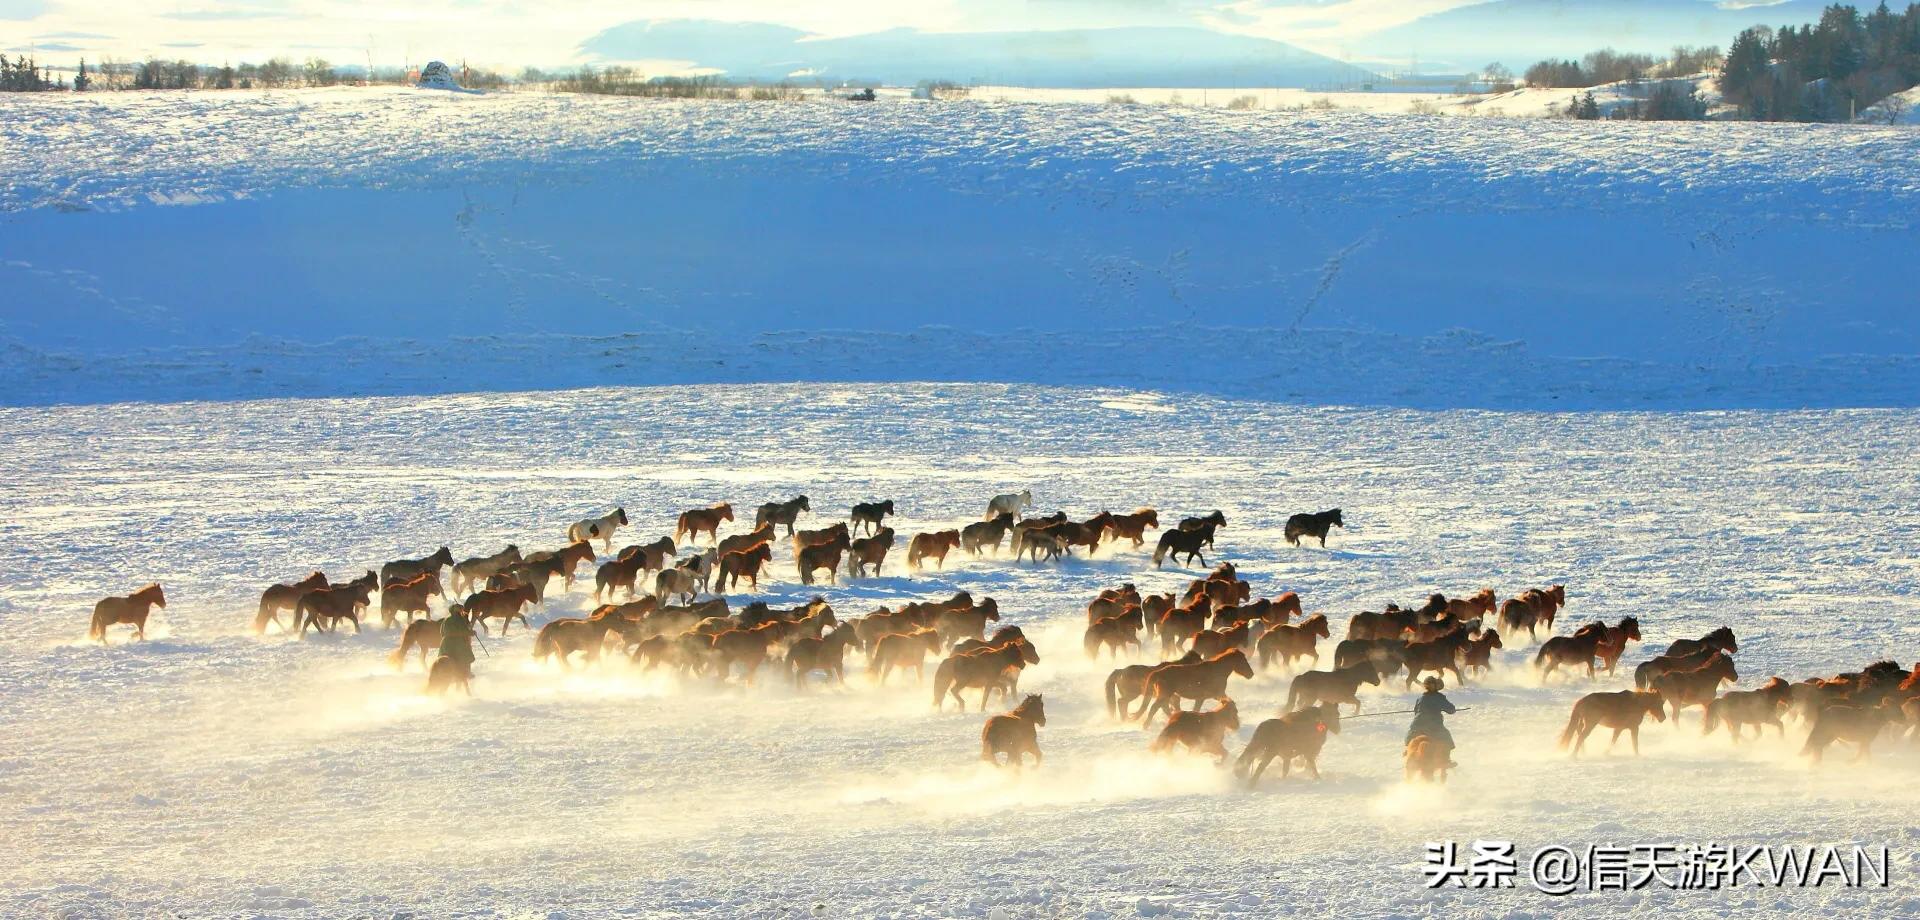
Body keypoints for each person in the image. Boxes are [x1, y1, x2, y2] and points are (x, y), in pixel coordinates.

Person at [1406, 676, 1457, 766]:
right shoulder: (1439, 697)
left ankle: (1408, 752)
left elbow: (1416, 712)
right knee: (1446, 736)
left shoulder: (1420, 698)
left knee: (1410, 738)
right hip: (1434, 727)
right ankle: (1446, 760)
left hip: (1417, 725)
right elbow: (1451, 710)